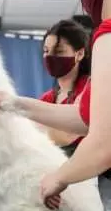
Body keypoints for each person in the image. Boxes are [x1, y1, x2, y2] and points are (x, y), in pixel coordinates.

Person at [0, 0, 111, 210]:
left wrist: (58, 178)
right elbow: (84, 117)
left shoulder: (108, 37)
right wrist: (13, 103)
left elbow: (102, 144)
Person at [39, 20, 91, 157]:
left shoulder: (91, 88)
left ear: (79, 54)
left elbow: (67, 136)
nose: (50, 56)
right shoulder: (47, 98)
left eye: (59, 51)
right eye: (46, 51)